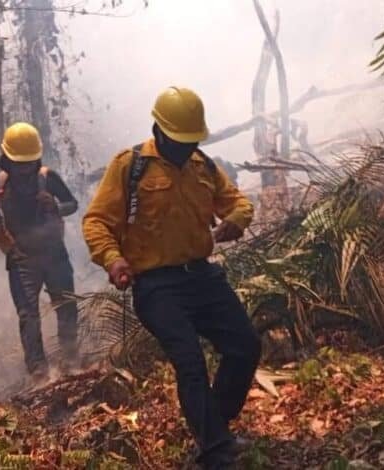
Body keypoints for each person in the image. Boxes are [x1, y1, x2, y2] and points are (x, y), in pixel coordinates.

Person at [82, 86, 261, 469]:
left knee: (245, 346)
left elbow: (239, 202)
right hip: (156, 285)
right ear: (159, 130)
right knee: (190, 362)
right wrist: (113, 260)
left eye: (190, 141)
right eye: (179, 141)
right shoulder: (130, 167)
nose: (184, 149)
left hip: (202, 278)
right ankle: (216, 451)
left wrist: (235, 221)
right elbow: (97, 221)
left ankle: (214, 424)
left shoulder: (203, 166)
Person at [0, 122, 80, 380]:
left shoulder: (47, 178)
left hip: (54, 254)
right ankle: (39, 372)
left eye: (29, 162)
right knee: (28, 315)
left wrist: (56, 207)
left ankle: (71, 361)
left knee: (66, 307)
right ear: (8, 160)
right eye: (19, 163)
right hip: (21, 258)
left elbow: (72, 203)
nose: (25, 169)